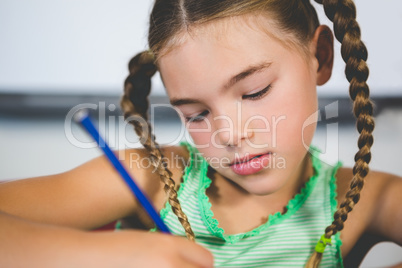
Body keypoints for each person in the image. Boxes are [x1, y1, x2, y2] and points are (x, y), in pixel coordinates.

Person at [0, 0, 401, 267]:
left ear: (321, 57)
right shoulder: (152, 178)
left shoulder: (368, 199)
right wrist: (114, 256)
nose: (229, 134)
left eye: (255, 91)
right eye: (195, 114)